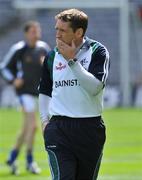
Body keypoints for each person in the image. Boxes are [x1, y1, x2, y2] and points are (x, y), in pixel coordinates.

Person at [39, 9, 110, 180]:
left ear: (79, 32)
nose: (57, 35)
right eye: (56, 29)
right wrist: (44, 121)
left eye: (62, 30)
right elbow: (44, 91)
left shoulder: (97, 51)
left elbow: (94, 88)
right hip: (58, 129)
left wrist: (72, 61)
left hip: (90, 129)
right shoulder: (51, 56)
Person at [0, 21, 50, 175]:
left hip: (39, 93)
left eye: (38, 30)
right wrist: (13, 80)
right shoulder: (19, 49)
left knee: (26, 128)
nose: (36, 33)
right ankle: (30, 161)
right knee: (33, 126)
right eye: (33, 31)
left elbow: (50, 66)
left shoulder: (44, 48)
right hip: (24, 93)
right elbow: (4, 68)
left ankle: (13, 157)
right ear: (26, 33)